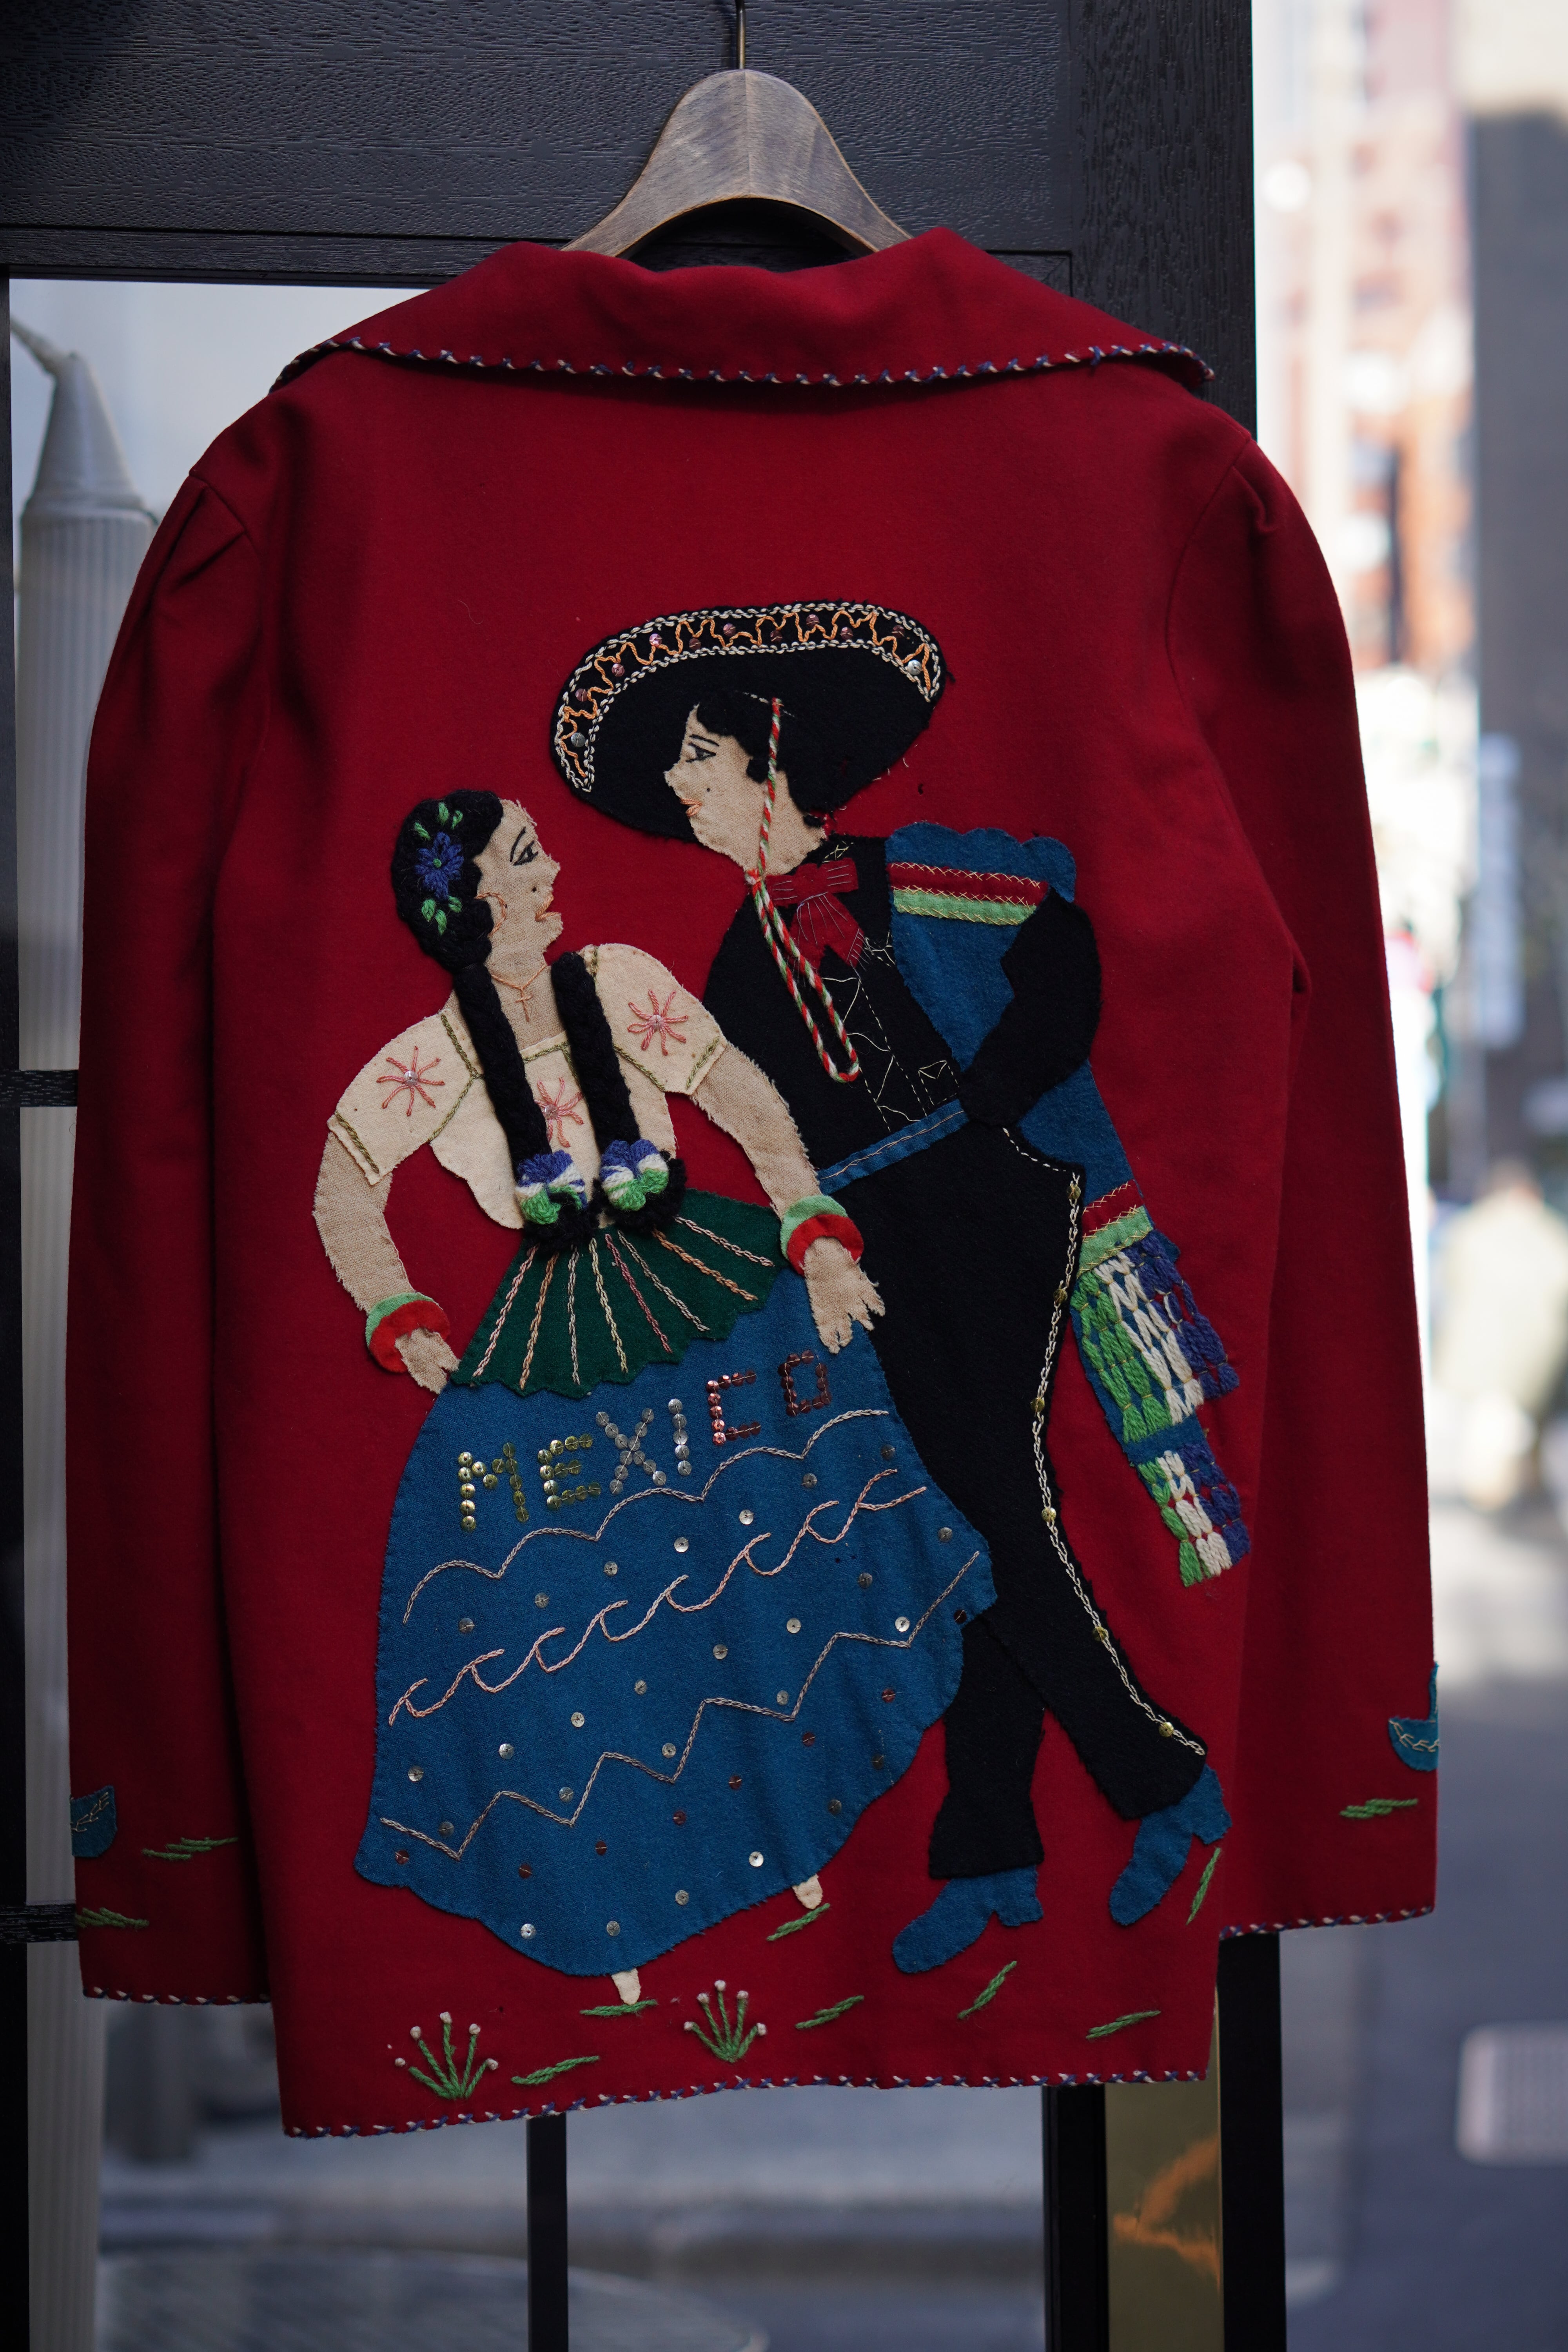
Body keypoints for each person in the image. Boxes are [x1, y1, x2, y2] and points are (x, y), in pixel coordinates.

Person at [550, 601, 1229, 1971]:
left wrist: (994, 1100)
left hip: (977, 1204)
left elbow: (1059, 944)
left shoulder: (901, 871)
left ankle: (1164, 1784)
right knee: (957, 1519)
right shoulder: (736, 955)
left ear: (769, 751)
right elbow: (754, 1123)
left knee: (981, 1507)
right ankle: (993, 1850)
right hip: (867, 1240)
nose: (681, 788)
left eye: (697, 757)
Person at [314, 790, 992, 1996]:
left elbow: (739, 1094)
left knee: (764, 1543)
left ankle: (802, 1839)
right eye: (526, 857)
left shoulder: (620, 978)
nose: (553, 868)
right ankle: (617, 1912)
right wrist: (397, 1310)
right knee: (577, 1593)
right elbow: (342, 1182)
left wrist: (810, 1226)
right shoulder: (434, 1058)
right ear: (474, 899)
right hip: (559, 1328)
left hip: (700, 1277)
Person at [1433, 1160, 1568, 1509]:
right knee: (1514, 1426)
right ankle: (1515, 1492)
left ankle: (1499, 1497)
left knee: (1490, 1429)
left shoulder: (1470, 1229)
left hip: (1478, 1347)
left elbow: (1451, 1279)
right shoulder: (1551, 1233)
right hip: (1536, 1349)